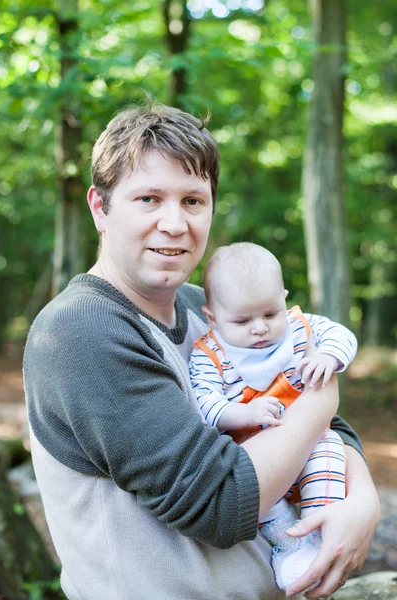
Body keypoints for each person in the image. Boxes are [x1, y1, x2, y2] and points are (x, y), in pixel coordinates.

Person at [23, 102, 380, 600]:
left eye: (193, 200)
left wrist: (362, 500)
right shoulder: (81, 332)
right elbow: (219, 502)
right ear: (100, 208)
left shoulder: (208, 310)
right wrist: (322, 397)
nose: (174, 223)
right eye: (148, 198)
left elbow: (324, 428)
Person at [189, 242, 358, 591]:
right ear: (212, 317)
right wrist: (244, 412)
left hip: (309, 444)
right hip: (255, 458)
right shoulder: (210, 355)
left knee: (328, 450)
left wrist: (328, 356)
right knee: (265, 504)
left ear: (283, 299)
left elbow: (340, 334)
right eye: (242, 320)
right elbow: (204, 402)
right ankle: (292, 546)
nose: (260, 329)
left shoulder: (298, 329)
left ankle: (319, 527)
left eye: (270, 313)